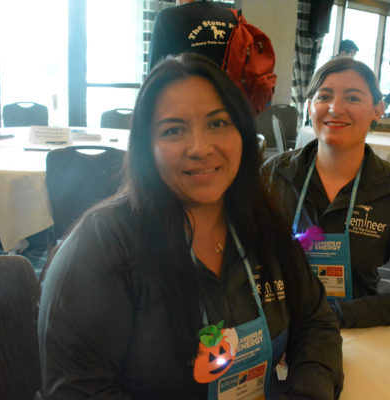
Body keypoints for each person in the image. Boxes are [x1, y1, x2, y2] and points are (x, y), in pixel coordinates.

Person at [38, 53, 343, 399]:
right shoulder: (101, 246)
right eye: (173, 130)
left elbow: (316, 322)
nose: (199, 148)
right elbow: (78, 391)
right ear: (145, 148)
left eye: (217, 123)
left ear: (243, 133)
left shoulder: (262, 223)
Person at [262, 57, 390, 329]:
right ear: (310, 106)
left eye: (353, 98)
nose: (335, 108)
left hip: (357, 329)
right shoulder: (273, 175)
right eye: (324, 96)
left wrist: (335, 317)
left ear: (378, 110)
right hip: (276, 326)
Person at [148, 0, 237, 71]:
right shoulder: (233, 18)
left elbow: (154, 74)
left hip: (185, 91)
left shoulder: (167, 18)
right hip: (226, 92)